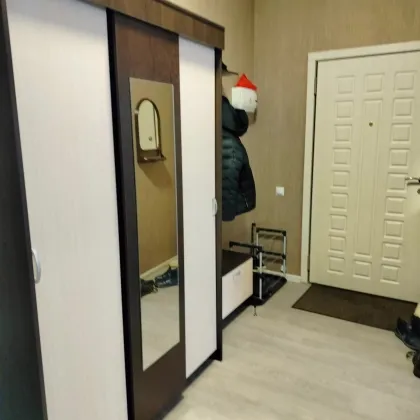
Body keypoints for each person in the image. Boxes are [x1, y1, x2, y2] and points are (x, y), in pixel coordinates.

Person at [221, 62, 256, 222]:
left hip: (229, 206)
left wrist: (224, 214)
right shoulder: (230, 135)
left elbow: (228, 176)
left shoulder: (226, 140)